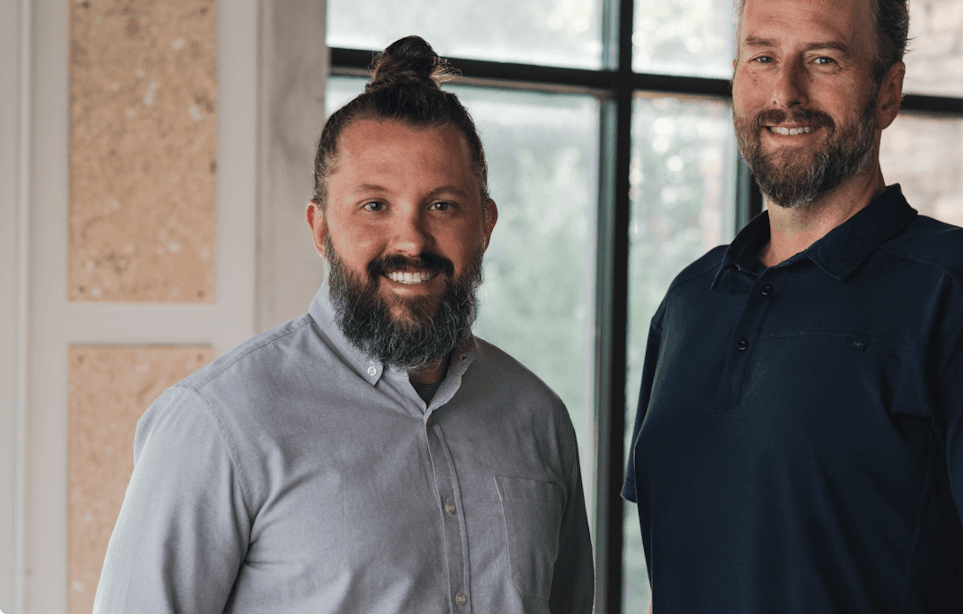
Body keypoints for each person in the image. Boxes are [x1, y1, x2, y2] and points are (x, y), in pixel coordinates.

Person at [622, 0, 963, 613]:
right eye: (762, 57)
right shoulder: (690, 301)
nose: (785, 92)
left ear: (886, 91)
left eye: (823, 59)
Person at [94, 36, 594, 613]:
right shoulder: (218, 424)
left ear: (485, 224)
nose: (410, 240)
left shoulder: (538, 419)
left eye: (442, 206)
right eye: (374, 206)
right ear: (321, 230)